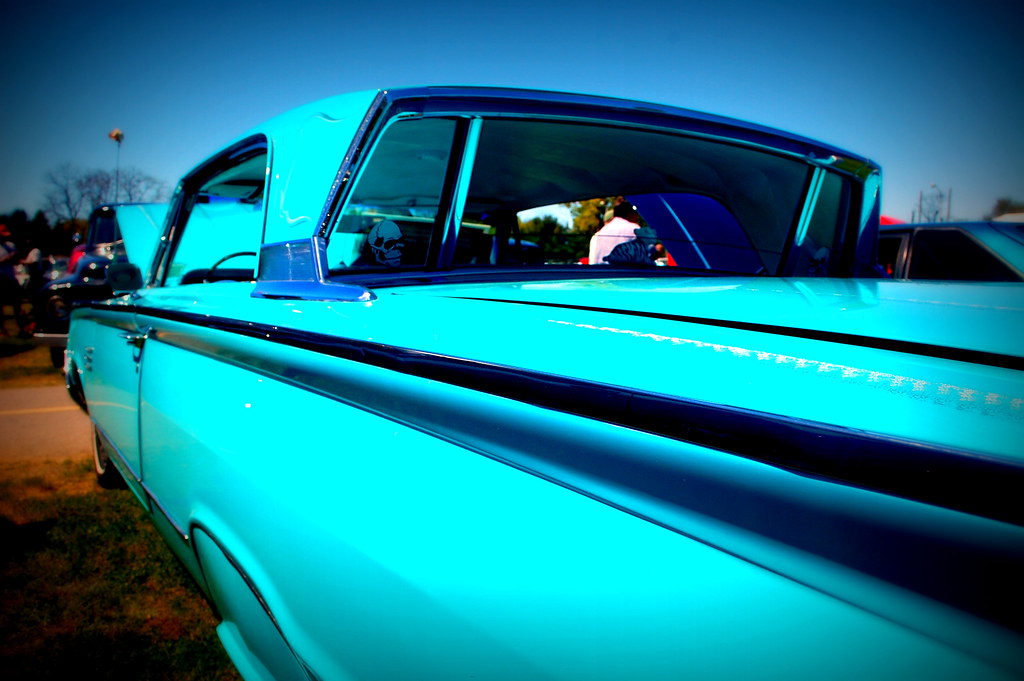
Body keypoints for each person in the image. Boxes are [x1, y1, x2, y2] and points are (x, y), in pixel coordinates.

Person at [588, 199, 644, 265]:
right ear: (630, 214)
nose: (637, 217)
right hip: (626, 273)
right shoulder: (633, 228)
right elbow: (647, 252)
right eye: (636, 213)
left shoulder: (600, 233)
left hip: (601, 273)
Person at [0, 224, 21, 335]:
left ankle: (20, 327)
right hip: (1, 278)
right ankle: (3, 330)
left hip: (11, 277)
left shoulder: (11, 246)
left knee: (16, 303)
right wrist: (8, 257)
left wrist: (15, 257)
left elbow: (16, 262)